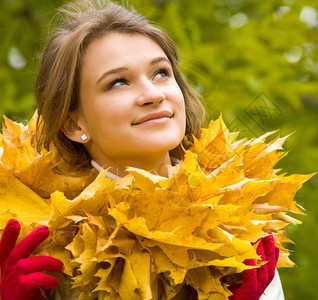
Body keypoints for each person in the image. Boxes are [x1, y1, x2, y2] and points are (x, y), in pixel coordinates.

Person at [0, 0, 284, 299]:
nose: (152, 94)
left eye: (161, 73)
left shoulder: (239, 222)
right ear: (74, 124)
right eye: (119, 82)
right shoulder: (34, 238)